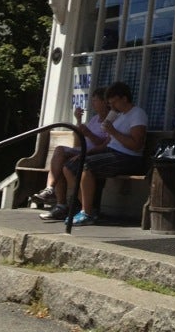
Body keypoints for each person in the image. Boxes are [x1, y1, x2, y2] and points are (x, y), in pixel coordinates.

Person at [63, 81, 148, 226]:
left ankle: (87, 212)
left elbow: (136, 145)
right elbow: (107, 143)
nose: (112, 107)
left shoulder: (137, 114)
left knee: (87, 166)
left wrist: (113, 131)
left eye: (114, 102)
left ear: (124, 98)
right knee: (70, 166)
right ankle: (87, 207)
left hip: (128, 157)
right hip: (111, 152)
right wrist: (87, 152)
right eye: (110, 103)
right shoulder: (119, 115)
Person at [35, 88, 110, 221]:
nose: (92, 103)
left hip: (94, 153)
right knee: (59, 153)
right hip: (82, 150)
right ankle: (52, 191)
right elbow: (79, 142)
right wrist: (79, 121)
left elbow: (104, 145)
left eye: (95, 100)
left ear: (105, 102)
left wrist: (88, 134)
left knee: (64, 165)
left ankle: (67, 205)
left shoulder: (111, 121)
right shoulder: (94, 119)